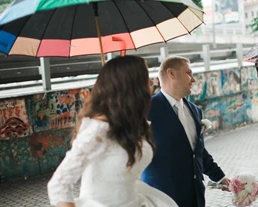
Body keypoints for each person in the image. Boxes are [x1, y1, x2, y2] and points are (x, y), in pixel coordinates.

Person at [47, 56, 178, 207]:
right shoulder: (98, 129)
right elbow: (59, 184)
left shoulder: (132, 123)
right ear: (132, 86)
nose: (150, 83)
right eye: (146, 77)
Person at [141, 56, 230, 207]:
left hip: (196, 197)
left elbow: (196, 151)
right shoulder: (145, 111)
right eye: (189, 73)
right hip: (163, 198)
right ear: (171, 74)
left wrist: (219, 177)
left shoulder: (195, 110)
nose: (193, 80)